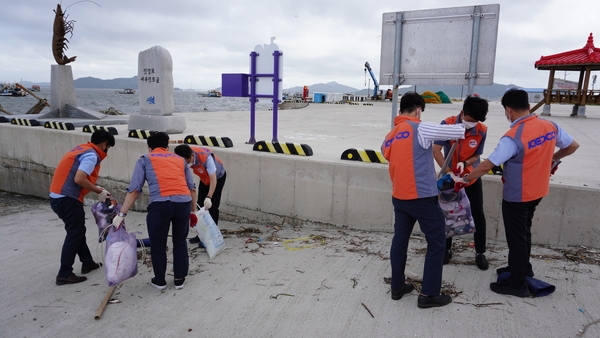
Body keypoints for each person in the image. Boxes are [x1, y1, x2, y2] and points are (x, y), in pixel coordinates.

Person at [452, 88, 579, 297]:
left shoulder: (513, 137)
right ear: (528, 106)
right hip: (538, 191)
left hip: (517, 195)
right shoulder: (550, 126)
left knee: (516, 237)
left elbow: (486, 166)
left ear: (508, 110)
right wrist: (551, 160)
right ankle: (521, 268)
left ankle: (517, 282)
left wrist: (464, 179)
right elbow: (573, 146)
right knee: (524, 232)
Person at [381, 92, 465, 308]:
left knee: (400, 240)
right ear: (418, 110)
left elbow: (386, 154)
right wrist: (461, 119)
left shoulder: (390, 135)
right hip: (422, 198)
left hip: (399, 197)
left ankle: (397, 287)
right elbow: (458, 131)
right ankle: (429, 295)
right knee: (437, 242)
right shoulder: (420, 127)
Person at [112, 132, 197, 290]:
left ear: (150, 148)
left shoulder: (145, 159)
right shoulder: (180, 160)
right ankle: (179, 279)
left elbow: (134, 190)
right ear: (167, 147)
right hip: (183, 203)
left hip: (160, 205)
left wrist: (121, 214)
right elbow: (192, 189)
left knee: (158, 244)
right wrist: (193, 212)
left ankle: (160, 281)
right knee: (180, 241)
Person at [50, 130, 115, 285]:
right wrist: (99, 190)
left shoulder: (81, 149)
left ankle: (87, 262)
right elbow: (79, 178)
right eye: (108, 147)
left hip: (57, 196)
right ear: (104, 144)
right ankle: (64, 273)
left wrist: (96, 187)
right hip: (67, 199)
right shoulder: (91, 155)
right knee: (74, 234)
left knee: (78, 230)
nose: (107, 151)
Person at [432, 96, 490, 270]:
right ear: (463, 113)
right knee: (447, 213)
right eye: (470, 120)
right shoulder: (447, 124)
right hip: (450, 178)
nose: (473, 124)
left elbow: (477, 155)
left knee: (477, 214)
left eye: (477, 121)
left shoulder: (481, 130)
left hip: (470, 178)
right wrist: (449, 173)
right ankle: (446, 249)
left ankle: (480, 252)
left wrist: (465, 164)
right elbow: (436, 151)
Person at [174, 144, 226, 245]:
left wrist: (209, 197)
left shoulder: (206, 158)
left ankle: (212, 236)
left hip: (217, 177)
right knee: (199, 204)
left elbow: (213, 178)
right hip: (204, 178)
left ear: (192, 156)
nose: (186, 164)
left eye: (187, 162)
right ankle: (201, 235)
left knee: (213, 207)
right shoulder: (184, 154)